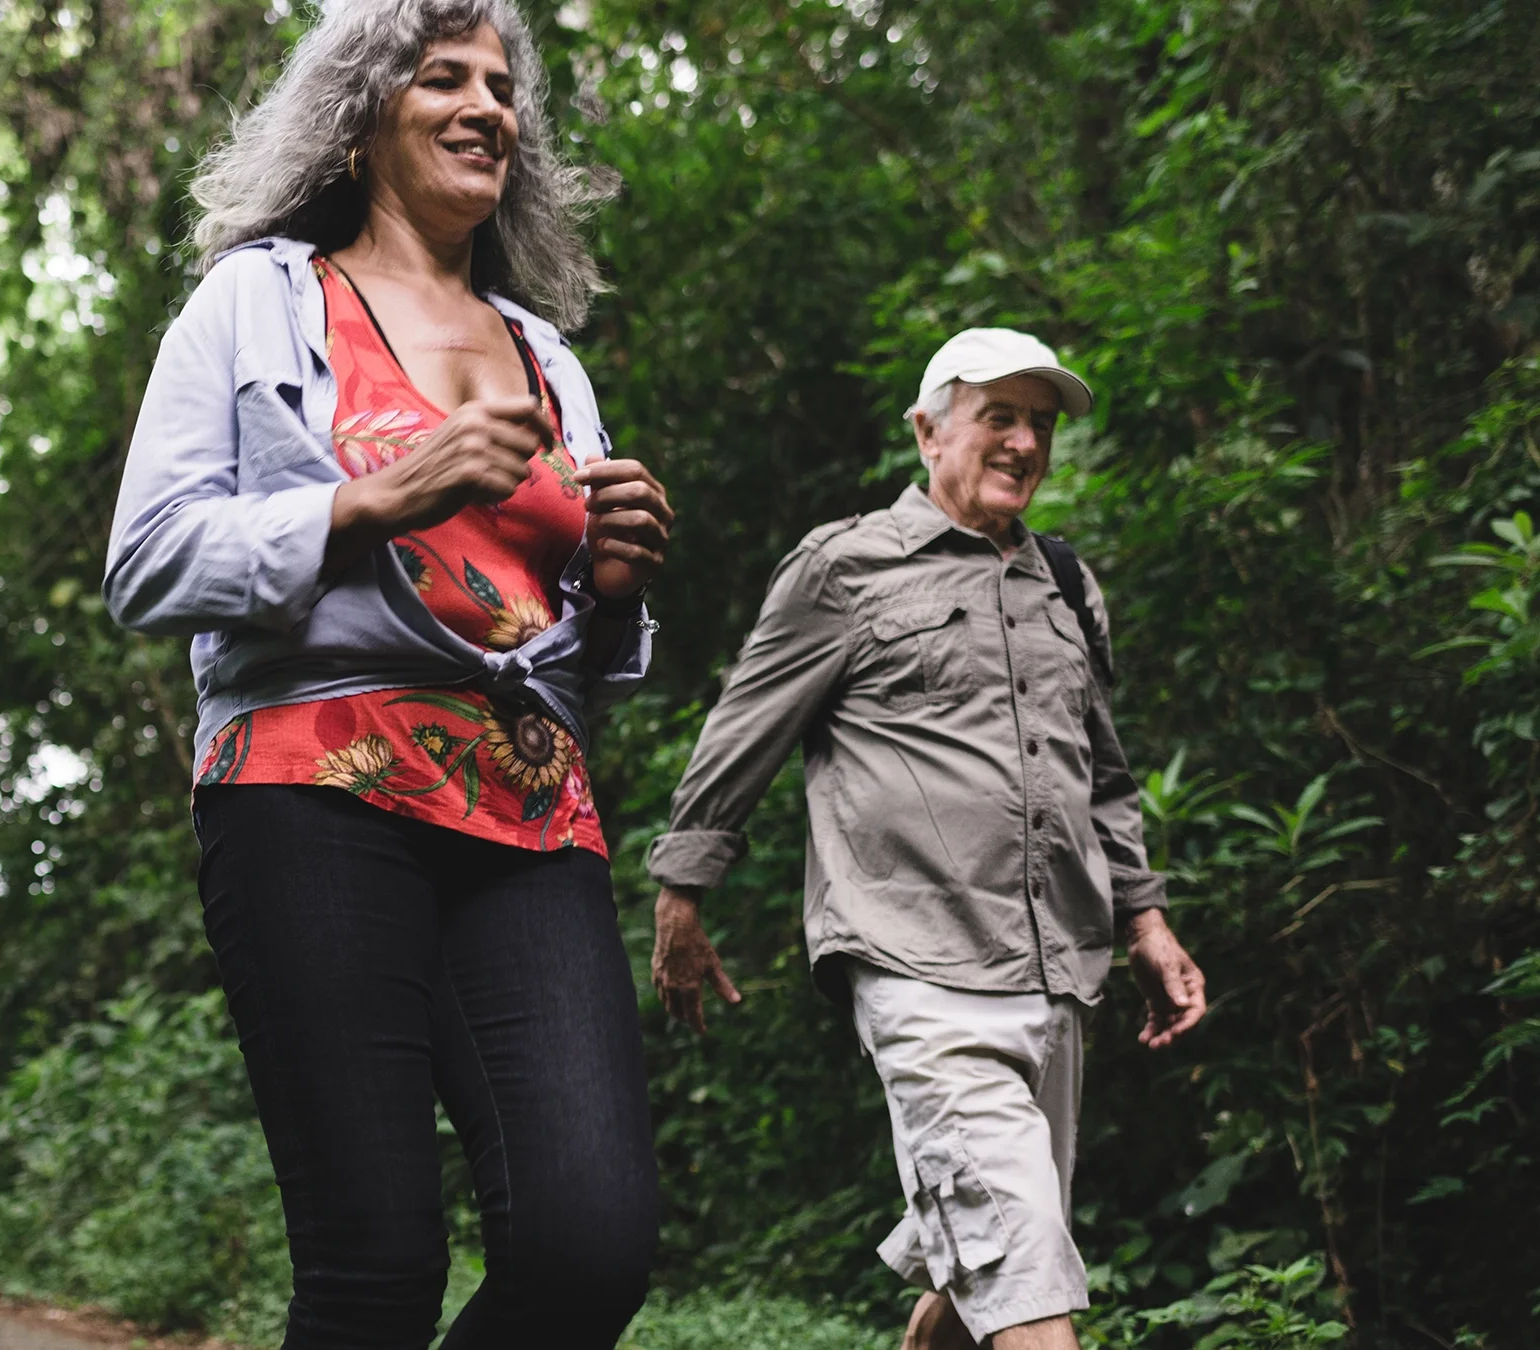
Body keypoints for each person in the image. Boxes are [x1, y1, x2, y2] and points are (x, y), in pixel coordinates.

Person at [103, 3, 673, 1345]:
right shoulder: (257, 301)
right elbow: (150, 562)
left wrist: (615, 587)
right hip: (312, 784)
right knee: (373, 1262)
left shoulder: (547, 354)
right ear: (363, 115)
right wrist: (376, 495)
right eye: (445, 78)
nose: (488, 106)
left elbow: (560, 631)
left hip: (528, 806)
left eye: (502, 86)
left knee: (590, 1242)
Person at [645, 329, 1208, 1350]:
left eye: (1039, 422)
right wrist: (683, 893)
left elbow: (1106, 778)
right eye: (1001, 415)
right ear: (929, 429)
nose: (1025, 441)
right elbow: (743, 733)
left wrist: (1147, 921)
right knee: (1026, 1266)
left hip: (1055, 971)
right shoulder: (845, 568)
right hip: (916, 964)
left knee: (991, 1250)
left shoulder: (1067, 586)